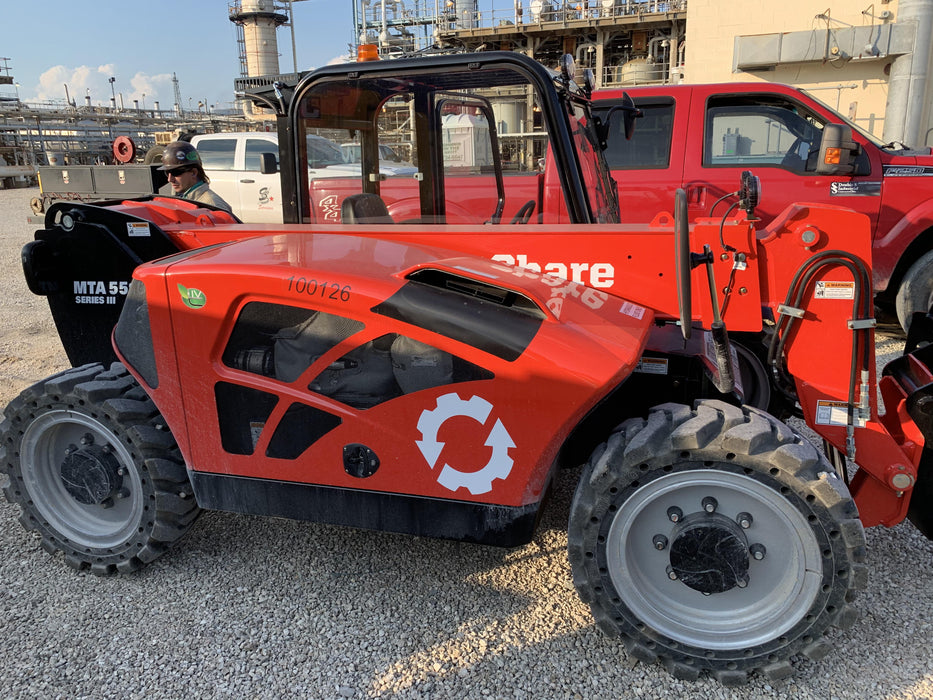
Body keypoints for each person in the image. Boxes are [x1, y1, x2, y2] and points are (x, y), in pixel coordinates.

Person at [159, 141, 232, 212]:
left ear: (194, 172)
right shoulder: (187, 202)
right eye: (167, 172)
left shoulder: (212, 206)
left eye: (176, 172)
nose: (170, 179)